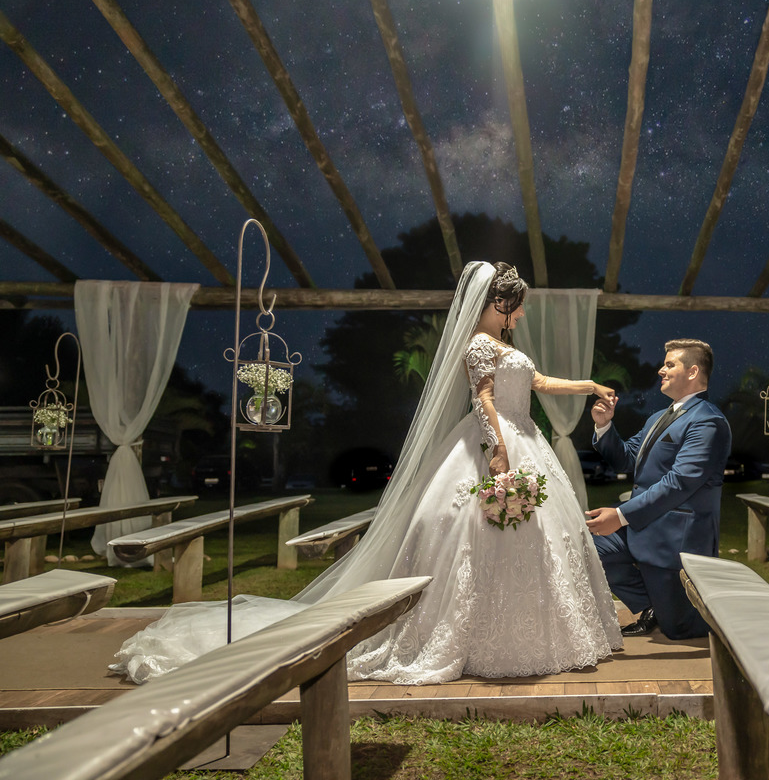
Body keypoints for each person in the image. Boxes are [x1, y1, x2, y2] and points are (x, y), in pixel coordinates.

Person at [111, 261, 622, 685]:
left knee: (538, 537)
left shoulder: (508, 347)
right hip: (498, 440)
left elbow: (539, 382)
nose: (523, 312)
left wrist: (589, 386)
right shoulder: (479, 346)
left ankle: (537, 631)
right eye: (519, 304)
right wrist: (498, 452)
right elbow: (484, 398)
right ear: (500, 304)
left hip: (524, 436)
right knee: (469, 536)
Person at [585, 339, 731, 640]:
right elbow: (625, 458)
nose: (660, 370)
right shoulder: (658, 418)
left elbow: (679, 482)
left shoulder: (708, 421)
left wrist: (621, 515)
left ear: (692, 372)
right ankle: (649, 605)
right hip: (643, 525)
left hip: (675, 539)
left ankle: (679, 612)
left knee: (679, 630)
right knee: (589, 545)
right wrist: (604, 426)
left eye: (669, 364)